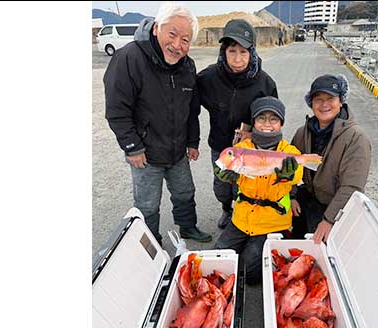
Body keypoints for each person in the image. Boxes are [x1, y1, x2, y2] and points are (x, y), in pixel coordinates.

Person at [103, 3, 211, 246]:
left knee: (185, 192)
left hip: (177, 151)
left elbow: (191, 110)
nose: (177, 45)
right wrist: (132, 146)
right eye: (171, 34)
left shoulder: (188, 66)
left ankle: (188, 227)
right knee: (147, 203)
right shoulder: (129, 58)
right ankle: (151, 243)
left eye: (185, 39)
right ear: (156, 29)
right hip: (145, 152)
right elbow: (117, 110)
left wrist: (192, 142)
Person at [197, 19, 278, 230]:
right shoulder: (208, 78)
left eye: (243, 51)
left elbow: (274, 122)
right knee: (222, 186)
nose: (238, 58)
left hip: (250, 148)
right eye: (232, 51)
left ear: (252, 52)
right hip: (220, 146)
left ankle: (242, 215)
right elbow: (188, 107)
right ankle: (226, 209)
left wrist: (255, 136)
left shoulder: (265, 83)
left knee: (243, 184)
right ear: (224, 51)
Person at [213, 97, 303, 283]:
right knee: (217, 260)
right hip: (242, 218)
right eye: (261, 118)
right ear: (253, 122)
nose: (267, 124)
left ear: (280, 124)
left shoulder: (290, 152)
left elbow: (297, 176)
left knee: (251, 274)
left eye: (273, 119)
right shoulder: (241, 148)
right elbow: (226, 167)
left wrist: (287, 175)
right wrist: (223, 173)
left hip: (272, 223)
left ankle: (258, 250)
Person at [290, 74, 371, 244]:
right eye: (318, 99)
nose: (324, 104)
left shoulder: (356, 138)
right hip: (309, 198)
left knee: (321, 248)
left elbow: (352, 186)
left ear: (341, 101)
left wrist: (329, 220)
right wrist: (292, 196)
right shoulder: (302, 133)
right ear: (311, 103)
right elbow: (290, 167)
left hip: (334, 207)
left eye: (330, 98)